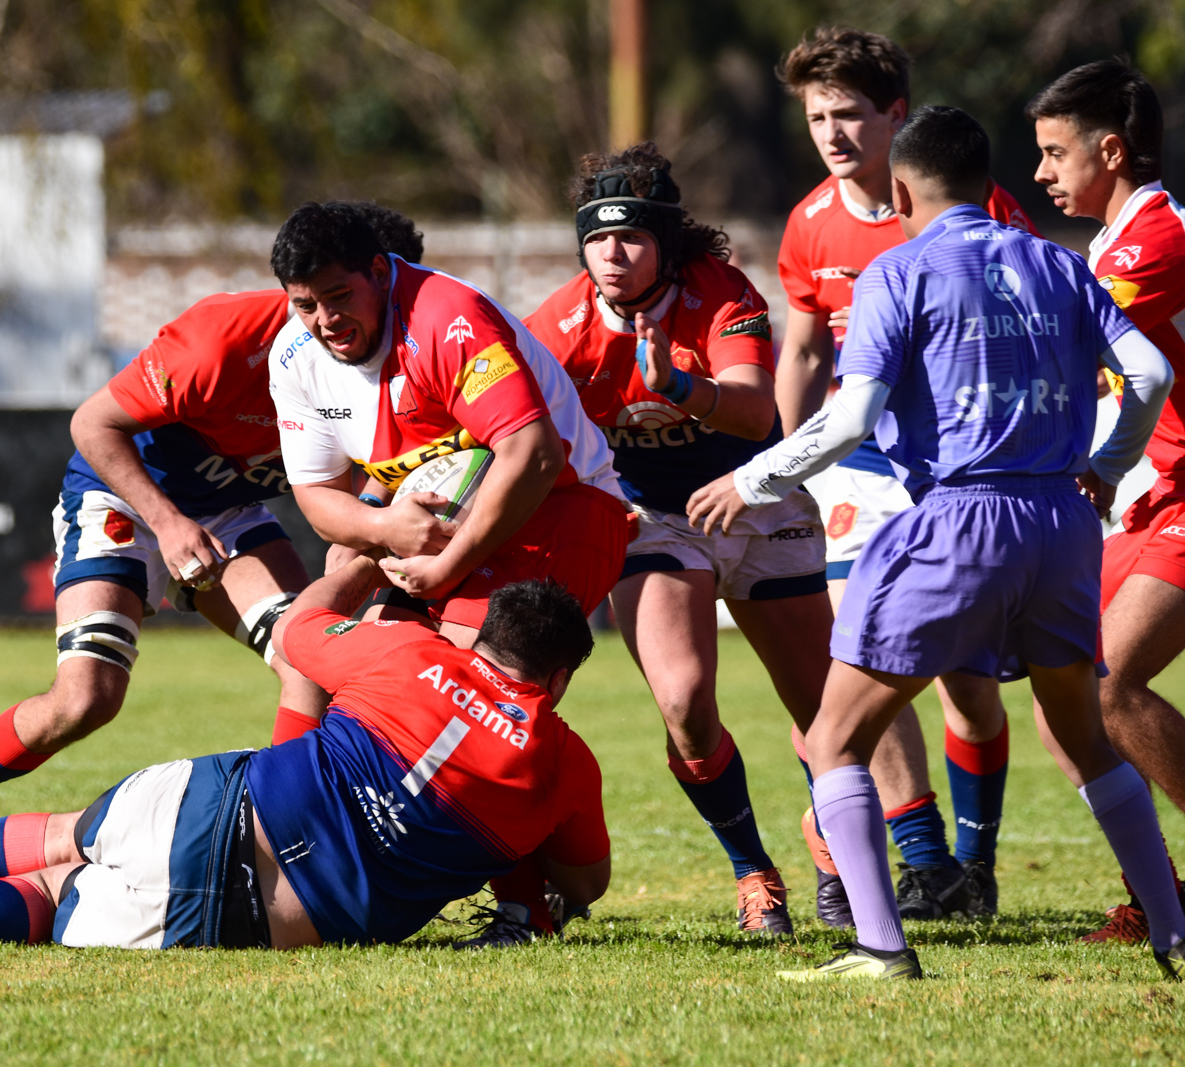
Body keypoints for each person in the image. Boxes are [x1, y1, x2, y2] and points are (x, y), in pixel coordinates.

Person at [689, 105, 1185, 981]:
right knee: (1085, 733)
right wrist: (1106, 464)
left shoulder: (897, 269)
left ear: (904, 187)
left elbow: (852, 419)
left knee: (836, 738)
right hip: (1063, 524)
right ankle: (1172, 930)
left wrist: (753, 477)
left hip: (961, 517)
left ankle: (882, 947)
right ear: (989, 182)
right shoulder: (1056, 262)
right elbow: (1149, 370)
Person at [0, 211, 429, 852]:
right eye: (318, 303)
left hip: (229, 511)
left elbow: (354, 499)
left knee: (312, 659)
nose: (334, 322)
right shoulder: (222, 341)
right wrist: (168, 521)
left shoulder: (397, 361)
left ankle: (283, 840)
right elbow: (92, 424)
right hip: (127, 498)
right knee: (87, 698)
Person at [0, 565, 611, 953]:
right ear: (563, 676)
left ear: (480, 634)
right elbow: (582, 884)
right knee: (55, 893)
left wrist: (350, 572)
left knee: (68, 834)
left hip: (209, 797)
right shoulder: (568, 763)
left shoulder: (405, 649)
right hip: (267, 916)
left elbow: (293, 637)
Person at [265, 200, 631, 943]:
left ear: (379, 271)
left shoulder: (447, 317)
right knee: (343, 656)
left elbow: (533, 455)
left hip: (566, 508)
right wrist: (380, 531)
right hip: (452, 529)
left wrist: (446, 565)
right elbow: (315, 496)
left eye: (339, 298)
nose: (325, 320)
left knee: (466, 679)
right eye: (305, 305)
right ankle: (280, 815)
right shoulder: (293, 357)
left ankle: (529, 905)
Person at [774, 26, 1040, 923]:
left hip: (958, 465)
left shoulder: (982, 210)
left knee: (966, 681)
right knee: (861, 643)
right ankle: (923, 860)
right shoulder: (811, 222)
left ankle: (976, 861)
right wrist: (792, 465)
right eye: (817, 116)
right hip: (857, 465)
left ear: (896, 115)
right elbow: (805, 347)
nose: (833, 133)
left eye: (849, 113)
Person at [525, 143, 827, 935]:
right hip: (652, 517)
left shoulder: (722, 293)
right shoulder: (555, 328)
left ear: (666, 241)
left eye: (629, 238)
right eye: (595, 238)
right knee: (686, 701)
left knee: (827, 711)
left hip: (757, 501)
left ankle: (832, 839)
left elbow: (759, 415)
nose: (611, 255)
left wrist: (677, 388)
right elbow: (519, 441)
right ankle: (752, 871)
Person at [1028, 58, 1185, 945]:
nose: (1043, 172)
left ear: (1112, 150)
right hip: (1151, 498)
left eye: (1054, 152)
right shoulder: (1110, 243)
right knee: (1066, 697)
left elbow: (1062, 356)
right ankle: (1161, 895)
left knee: (1110, 684)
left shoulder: (1152, 241)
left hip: (1182, 495)